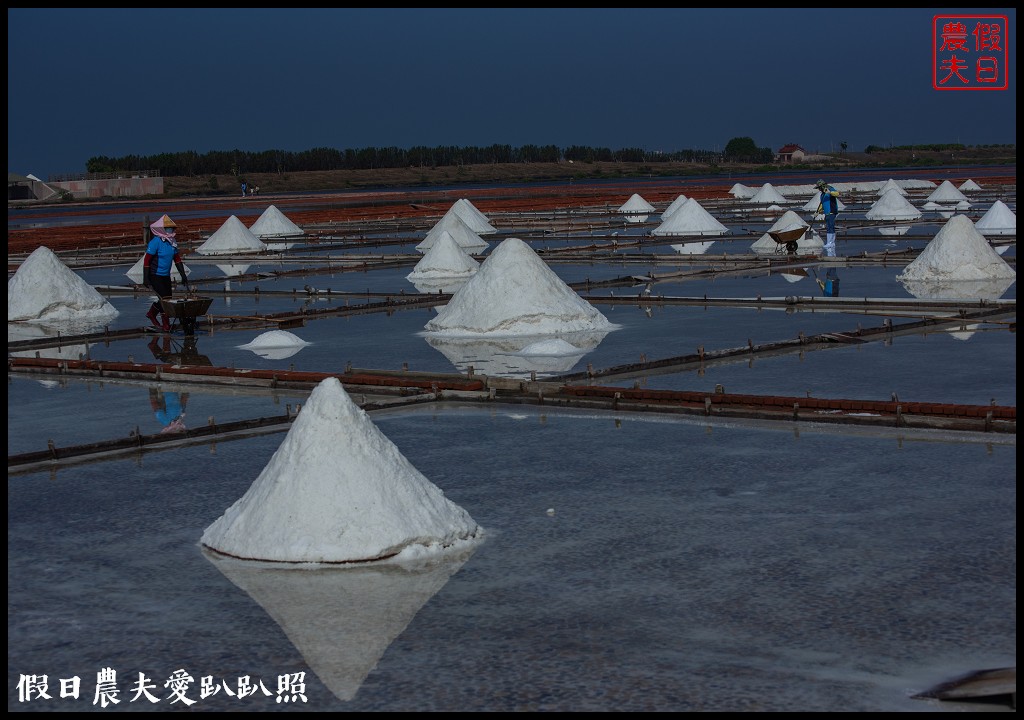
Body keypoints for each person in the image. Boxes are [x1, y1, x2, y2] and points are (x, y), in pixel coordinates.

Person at [142, 214, 189, 331]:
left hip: (165, 275)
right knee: (164, 300)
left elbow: (177, 259)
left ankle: (151, 314)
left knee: (167, 298)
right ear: (162, 229)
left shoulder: (172, 242)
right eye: (168, 228)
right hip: (155, 275)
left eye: (171, 228)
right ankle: (166, 324)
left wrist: (183, 275)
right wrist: (146, 278)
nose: (170, 230)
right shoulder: (155, 242)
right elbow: (147, 260)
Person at [815, 179, 841, 256]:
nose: (819, 189)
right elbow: (822, 205)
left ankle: (831, 243)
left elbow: (837, 194)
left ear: (822, 186)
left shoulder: (830, 189)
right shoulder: (822, 195)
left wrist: (830, 192)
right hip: (827, 213)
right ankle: (829, 242)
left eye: (819, 188)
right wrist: (818, 212)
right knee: (828, 226)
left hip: (832, 211)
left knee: (831, 226)